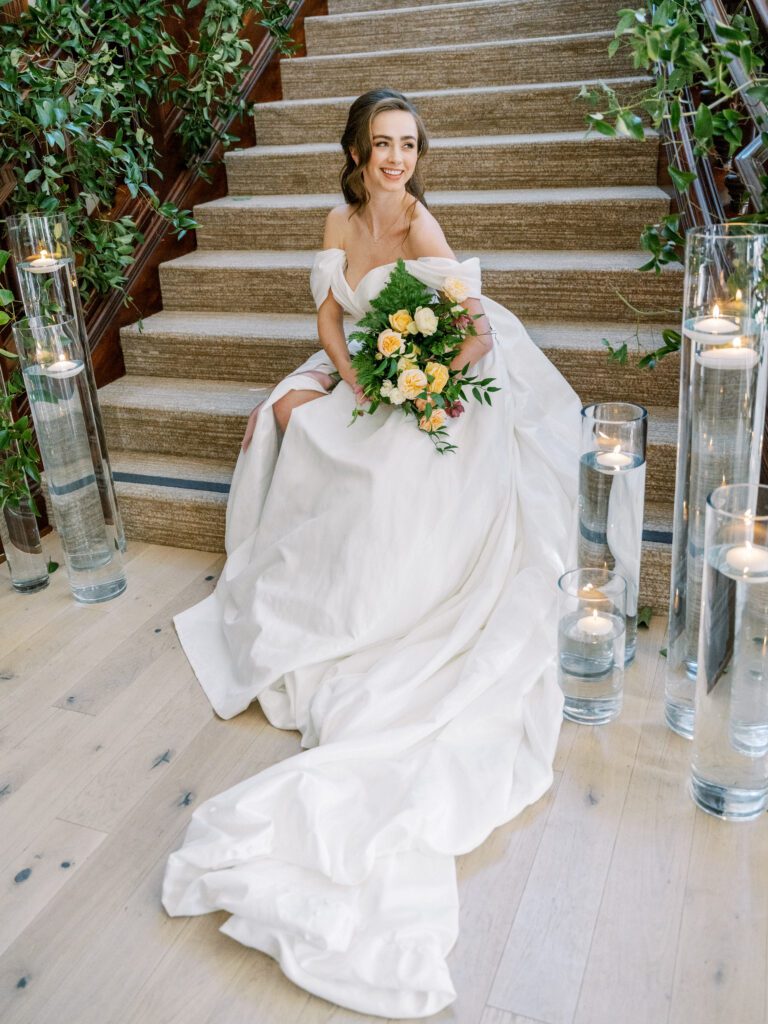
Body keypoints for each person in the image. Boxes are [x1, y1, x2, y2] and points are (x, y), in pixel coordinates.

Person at [162, 88, 581, 1019]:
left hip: (441, 370)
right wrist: (356, 381)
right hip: (368, 361)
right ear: (355, 152)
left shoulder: (422, 225)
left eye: (409, 145)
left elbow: (473, 330)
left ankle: (386, 601)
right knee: (297, 417)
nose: (396, 158)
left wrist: (417, 387)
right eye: (382, 144)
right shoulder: (338, 219)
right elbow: (328, 321)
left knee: (393, 468)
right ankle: (302, 582)